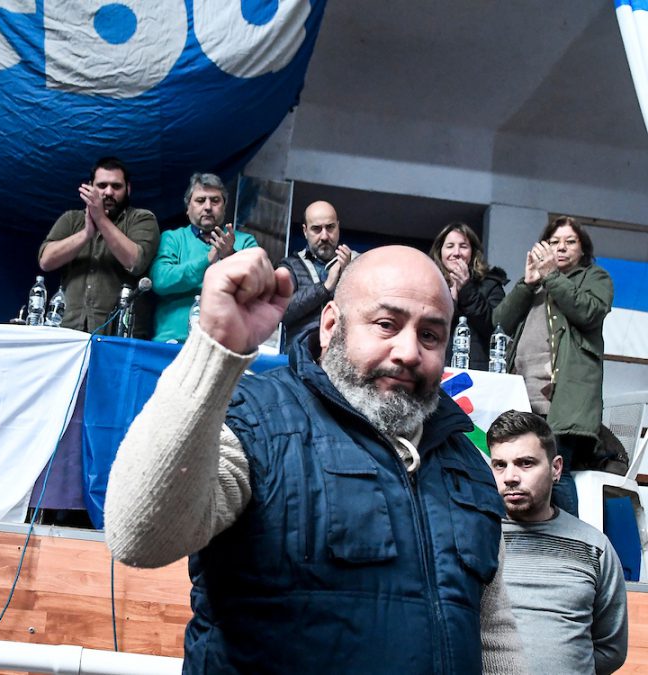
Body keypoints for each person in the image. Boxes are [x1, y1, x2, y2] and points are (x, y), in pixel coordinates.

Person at [104, 246, 523, 673]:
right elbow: (139, 538)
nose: (409, 351)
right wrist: (214, 348)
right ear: (329, 326)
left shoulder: (467, 463)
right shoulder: (255, 422)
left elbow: (493, 634)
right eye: (385, 325)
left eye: (430, 335)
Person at [487, 410, 627, 674]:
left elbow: (611, 648)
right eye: (500, 465)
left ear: (556, 468)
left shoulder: (594, 546)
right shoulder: (475, 537)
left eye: (526, 463)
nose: (510, 477)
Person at [493, 216, 613, 517]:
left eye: (570, 242)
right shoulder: (538, 284)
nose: (561, 247)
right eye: (554, 241)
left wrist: (551, 276)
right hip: (523, 395)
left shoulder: (594, 277)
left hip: (562, 400)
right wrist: (527, 282)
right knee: (518, 470)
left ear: (582, 250)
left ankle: (569, 544)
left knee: (555, 472)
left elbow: (588, 312)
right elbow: (499, 322)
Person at [38, 157, 159, 335]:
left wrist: (100, 219)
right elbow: (46, 261)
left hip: (121, 333)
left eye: (116, 186)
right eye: (102, 186)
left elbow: (135, 261)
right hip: (71, 330)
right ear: (90, 187)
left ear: (128, 189)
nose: (109, 192)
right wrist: (86, 234)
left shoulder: (142, 218)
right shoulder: (71, 219)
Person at [150, 173, 259, 342]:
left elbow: (258, 289)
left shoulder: (245, 241)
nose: (208, 207)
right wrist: (207, 260)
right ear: (187, 208)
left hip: (226, 345)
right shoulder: (172, 238)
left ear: (224, 206)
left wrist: (230, 256)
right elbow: (161, 280)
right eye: (200, 200)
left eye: (215, 200)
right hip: (173, 342)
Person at [428, 222, 508, 370]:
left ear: (473, 252)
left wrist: (466, 288)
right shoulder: (429, 284)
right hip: (434, 369)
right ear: (440, 252)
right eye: (450, 246)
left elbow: (494, 327)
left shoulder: (491, 284)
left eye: (463, 246)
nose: (456, 252)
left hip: (476, 373)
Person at [277, 200, 354, 348]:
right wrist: (325, 287)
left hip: (341, 358)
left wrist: (349, 276)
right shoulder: (291, 265)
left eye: (330, 227)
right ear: (305, 231)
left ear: (338, 226)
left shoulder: (357, 263)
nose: (324, 236)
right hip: (300, 359)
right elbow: (280, 312)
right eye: (316, 229)